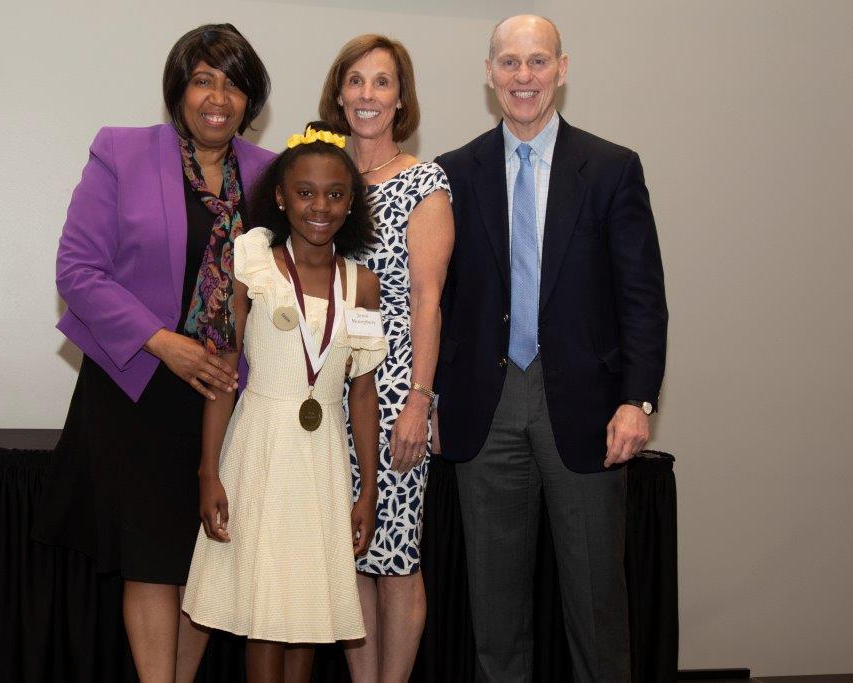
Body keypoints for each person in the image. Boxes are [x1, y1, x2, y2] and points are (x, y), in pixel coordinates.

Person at [31, 23, 274, 683]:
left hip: (226, 394)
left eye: (233, 84)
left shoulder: (270, 172)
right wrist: (168, 345)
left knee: (206, 557)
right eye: (203, 80)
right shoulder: (123, 151)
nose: (217, 97)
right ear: (179, 90)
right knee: (151, 561)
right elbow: (77, 271)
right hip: (137, 385)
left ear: (250, 100)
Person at [434, 15, 668, 682]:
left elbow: (642, 298)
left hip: (588, 411)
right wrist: (433, 395)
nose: (524, 77)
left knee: (597, 607)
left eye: (538, 62)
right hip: (485, 408)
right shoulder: (453, 172)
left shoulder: (612, 169)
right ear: (489, 74)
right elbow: (439, 300)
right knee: (495, 614)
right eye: (509, 63)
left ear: (562, 70)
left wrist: (637, 400)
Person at [182, 122, 386, 683]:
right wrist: (208, 472)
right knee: (265, 611)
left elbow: (362, 392)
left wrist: (369, 490)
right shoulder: (253, 264)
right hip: (260, 449)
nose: (320, 206)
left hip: (323, 461)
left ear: (351, 202)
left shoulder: (361, 285)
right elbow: (224, 374)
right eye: (305, 192)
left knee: (307, 609)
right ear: (279, 197)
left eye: (335, 194)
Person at [318, 35, 454, 682]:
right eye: (356, 81)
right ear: (338, 94)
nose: (367, 94)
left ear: (401, 98)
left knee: (395, 555)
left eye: (382, 82)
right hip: (326, 386)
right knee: (347, 553)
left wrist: (419, 401)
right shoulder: (322, 177)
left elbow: (428, 300)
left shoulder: (424, 181)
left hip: (396, 382)